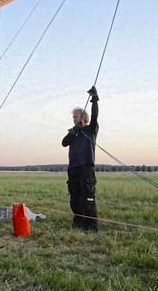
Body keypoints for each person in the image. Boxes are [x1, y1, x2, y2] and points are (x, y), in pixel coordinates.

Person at [62, 86, 99, 231]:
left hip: (86, 170)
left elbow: (95, 115)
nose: (73, 119)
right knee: (75, 199)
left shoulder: (91, 129)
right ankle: (78, 223)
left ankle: (91, 226)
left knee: (87, 199)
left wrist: (94, 99)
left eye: (75, 117)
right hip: (73, 170)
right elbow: (64, 143)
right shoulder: (73, 132)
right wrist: (73, 132)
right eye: (73, 117)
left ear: (83, 118)